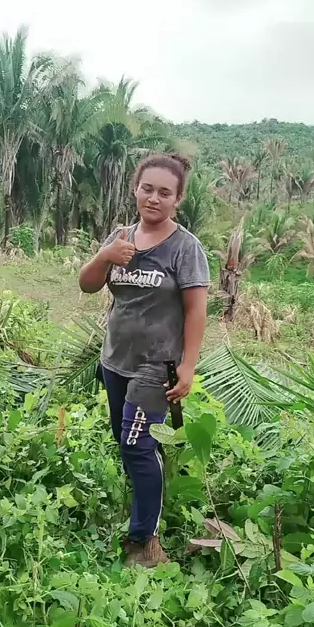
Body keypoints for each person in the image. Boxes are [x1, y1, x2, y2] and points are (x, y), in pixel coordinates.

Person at [79, 153, 209, 566]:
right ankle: (144, 504)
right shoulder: (120, 237)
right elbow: (87, 285)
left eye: (164, 192)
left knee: (136, 446)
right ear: (135, 189)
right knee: (128, 441)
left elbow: (196, 310)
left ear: (178, 199)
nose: (154, 198)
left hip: (157, 367)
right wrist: (105, 256)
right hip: (115, 360)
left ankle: (145, 541)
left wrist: (188, 366)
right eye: (147, 188)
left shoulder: (185, 248)